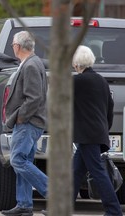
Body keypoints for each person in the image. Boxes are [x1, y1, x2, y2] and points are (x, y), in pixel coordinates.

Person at [1, 31, 48, 216]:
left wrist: (21, 117)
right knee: (25, 160)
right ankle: (24, 204)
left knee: (17, 160)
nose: (12, 47)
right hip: (30, 121)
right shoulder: (32, 62)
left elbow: (34, 97)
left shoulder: (30, 65)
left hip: (28, 122)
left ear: (18, 46)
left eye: (13, 44)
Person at [72, 45, 122, 216]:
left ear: (76, 63)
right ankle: (61, 207)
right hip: (97, 132)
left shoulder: (77, 82)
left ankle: (113, 210)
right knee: (75, 172)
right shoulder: (101, 80)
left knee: (98, 172)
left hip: (86, 135)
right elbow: (110, 107)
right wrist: (104, 129)